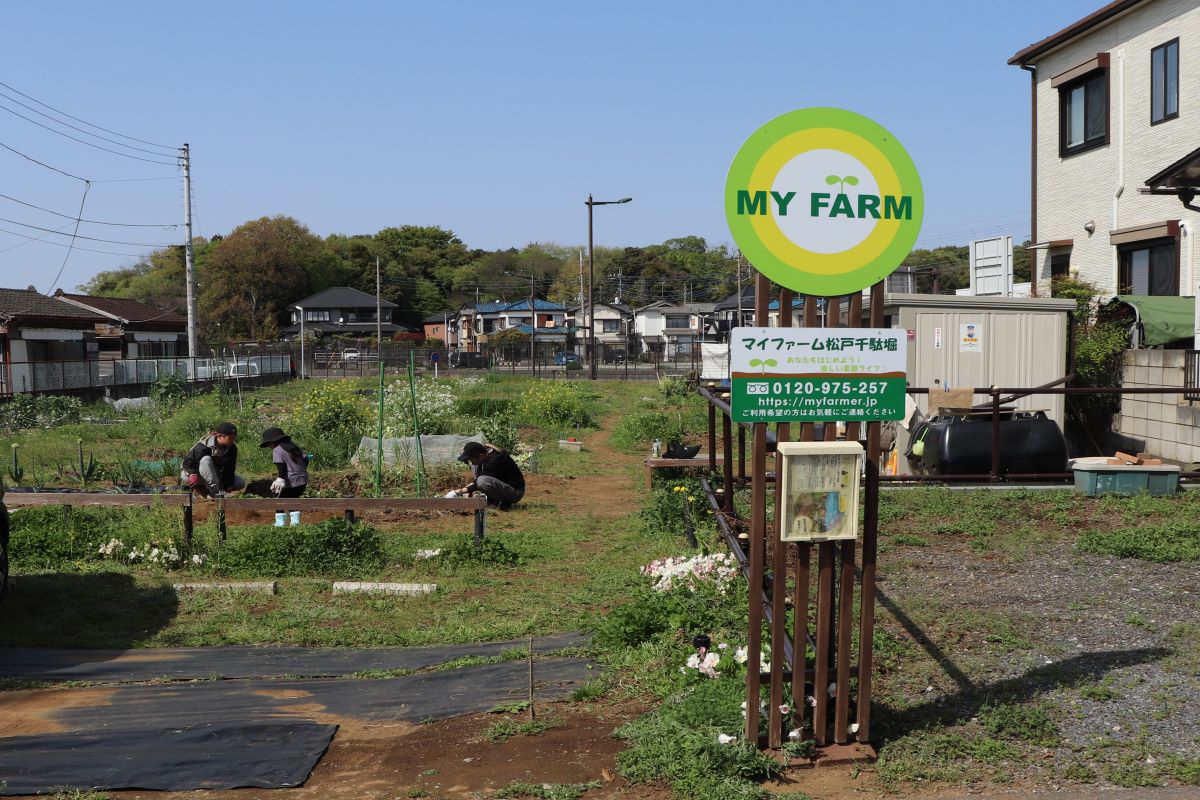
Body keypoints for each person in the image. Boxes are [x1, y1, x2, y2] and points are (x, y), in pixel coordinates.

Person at [181, 422, 245, 498]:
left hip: (213, 474)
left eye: (234, 437)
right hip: (194, 475)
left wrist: (228, 485)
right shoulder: (202, 446)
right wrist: (193, 474)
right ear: (220, 436)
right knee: (206, 460)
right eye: (230, 437)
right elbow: (187, 464)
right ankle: (215, 492)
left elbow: (230, 467)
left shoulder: (232, 448)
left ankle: (208, 489)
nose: (233, 440)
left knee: (240, 483)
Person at [455, 441, 524, 510]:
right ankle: (492, 500)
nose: (471, 462)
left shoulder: (495, 460)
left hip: (515, 493)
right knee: (476, 470)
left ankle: (502, 502)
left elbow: (480, 482)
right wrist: (468, 489)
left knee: (482, 481)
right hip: (504, 487)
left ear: (480, 456)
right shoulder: (485, 456)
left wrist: (457, 492)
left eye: (471, 460)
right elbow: (479, 478)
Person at [261, 427, 308, 498]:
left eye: (268, 444)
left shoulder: (277, 450)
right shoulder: (294, 447)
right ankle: (294, 509)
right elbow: (306, 459)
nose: (269, 446)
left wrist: (280, 480)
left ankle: (291, 509)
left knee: (280, 504)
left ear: (273, 441)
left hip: (292, 483)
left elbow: (281, 467)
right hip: (303, 481)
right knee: (292, 503)